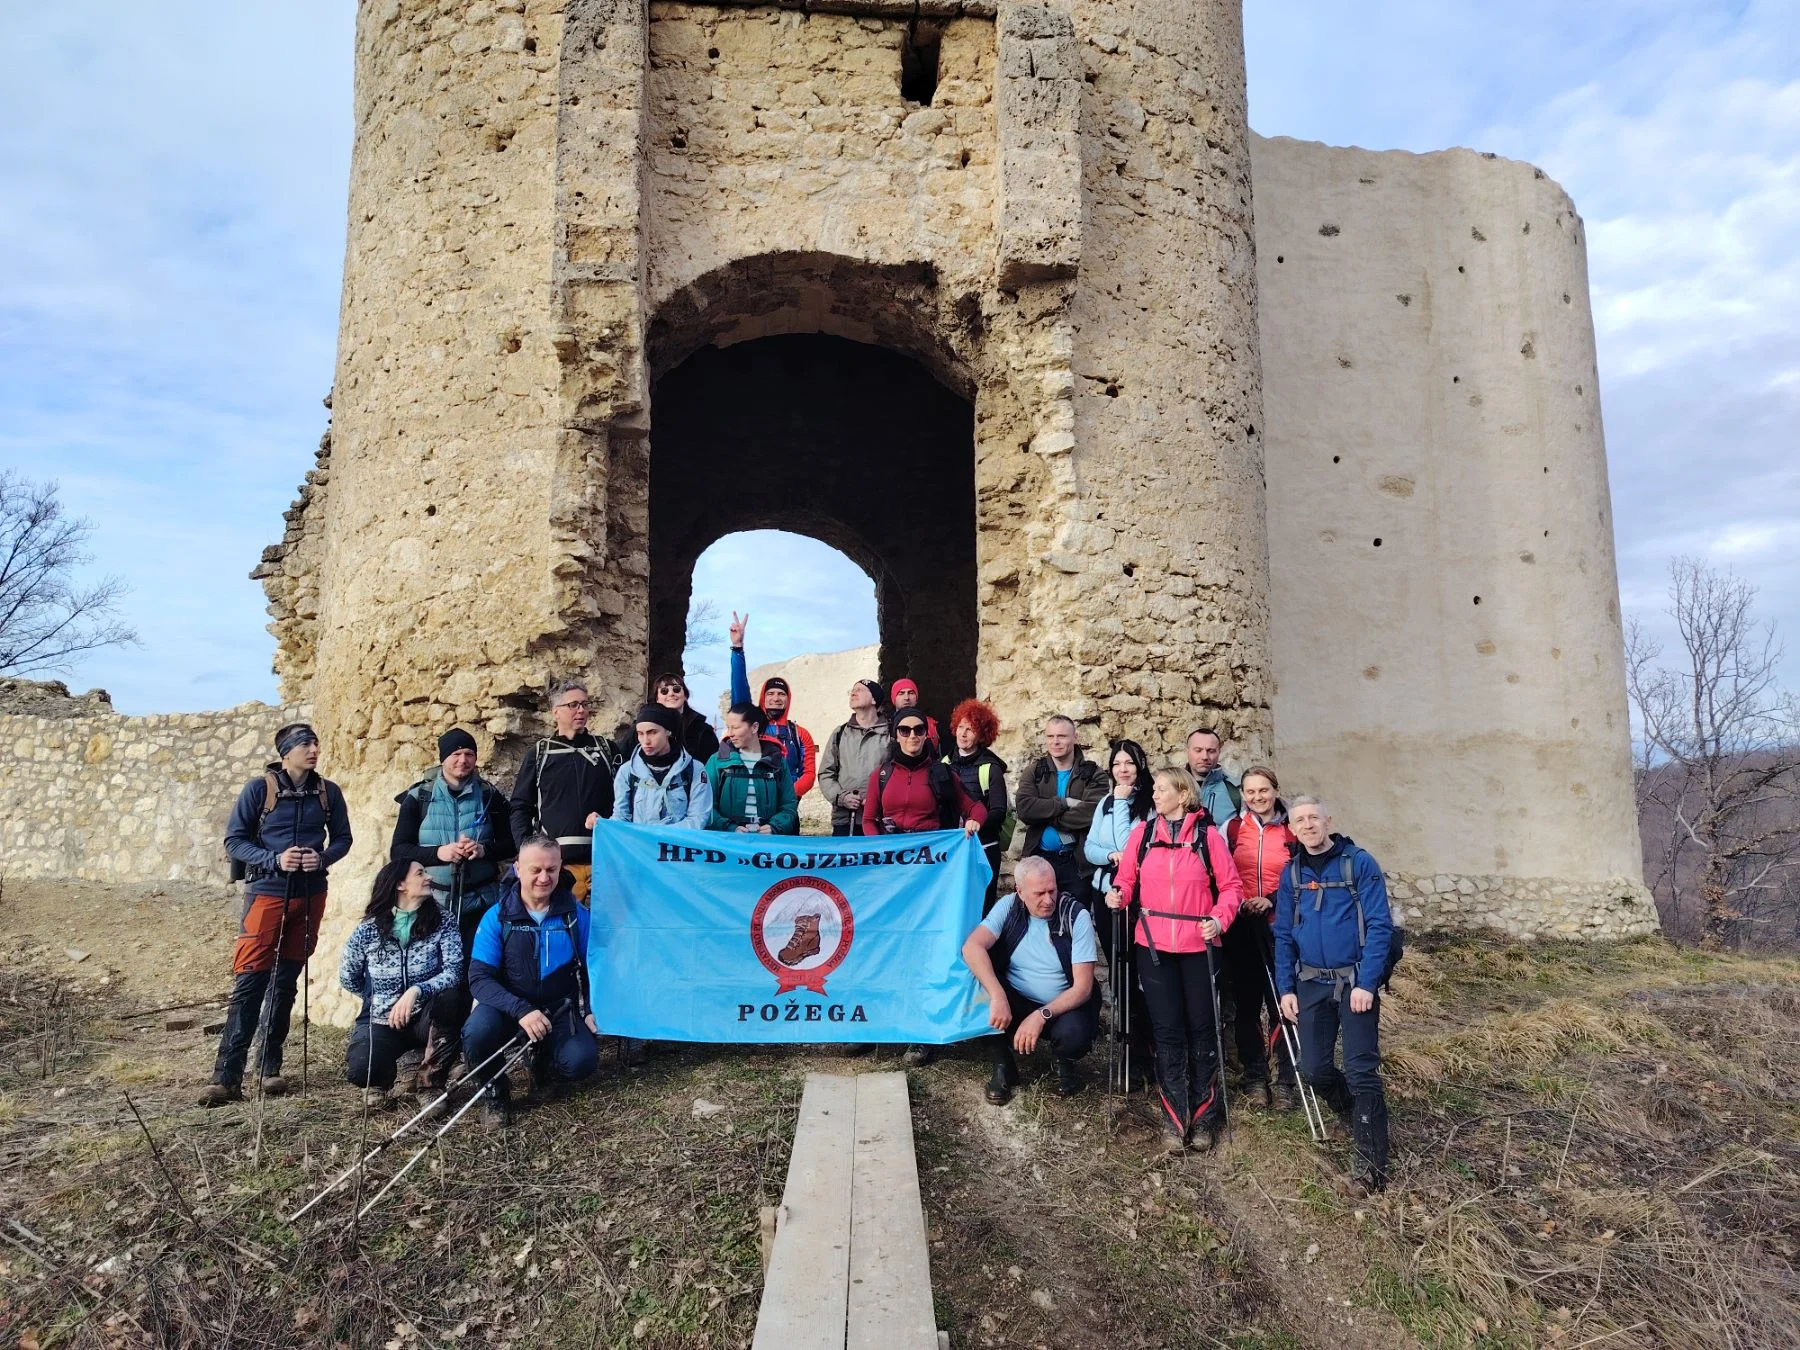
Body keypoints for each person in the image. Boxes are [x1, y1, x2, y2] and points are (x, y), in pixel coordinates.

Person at [204, 722, 353, 1107]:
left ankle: (269, 1068)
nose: (313, 748)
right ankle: (226, 1077)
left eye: (316, 742)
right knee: (250, 981)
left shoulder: (328, 792)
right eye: (305, 743)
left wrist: (320, 858)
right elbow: (234, 841)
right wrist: (274, 859)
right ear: (286, 752)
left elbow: (342, 839)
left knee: (286, 981)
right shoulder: (260, 789)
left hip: (311, 892)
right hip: (266, 894)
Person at [1106, 767, 1243, 1152]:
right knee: (1166, 1031)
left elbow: (1231, 887)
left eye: (1162, 790)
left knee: (1202, 1029)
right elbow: (1127, 879)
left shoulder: (1208, 837)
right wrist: (1116, 894)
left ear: (1183, 795)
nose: (1155, 795)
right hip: (1153, 946)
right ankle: (1174, 1117)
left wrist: (1218, 920)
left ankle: (1203, 1117)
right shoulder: (1143, 834)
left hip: (1198, 946)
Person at [1275, 796, 1394, 1194]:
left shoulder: (1358, 863)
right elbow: (1284, 936)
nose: (1308, 825)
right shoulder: (1291, 874)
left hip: (1355, 981)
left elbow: (1380, 926)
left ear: (1328, 820)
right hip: (1310, 982)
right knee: (1312, 1070)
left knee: (1361, 1070)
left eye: (1314, 817)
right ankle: (1351, 1111)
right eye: (1299, 820)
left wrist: (1368, 982)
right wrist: (1285, 988)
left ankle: (1369, 1164)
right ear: (1291, 829)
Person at [389, 726, 516, 1088]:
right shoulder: (420, 797)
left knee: (478, 974)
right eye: (456, 754)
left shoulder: (490, 796)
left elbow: (509, 843)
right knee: (433, 979)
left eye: (469, 754)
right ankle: (422, 1056)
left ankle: (470, 1053)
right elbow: (399, 850)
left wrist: (483, 850)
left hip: (480, 900)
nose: (463, 760)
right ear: (443, 758)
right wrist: (439, 854)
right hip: (435, 902)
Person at [867, 708, 986, 1066]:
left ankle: (921, 1032)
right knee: (887, 943)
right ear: (895, 734)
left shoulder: (942, 773)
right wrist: (881, 850)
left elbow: (976, 807)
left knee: (922, 948)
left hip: (929, 876)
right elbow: (870, 819)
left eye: (919, 729)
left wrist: (972, 825)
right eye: (904, 730)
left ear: (927, 734)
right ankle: (873, 1026)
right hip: (892, 875)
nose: (912, 736)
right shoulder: (882, 775)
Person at [464, 836, 600, 1128]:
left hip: (558, 1006)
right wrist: (521, 1010)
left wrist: (590, 1008)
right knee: (476, 1032)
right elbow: (479, 978)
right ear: (517, 869)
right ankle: (495, 1093)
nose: (544, 877)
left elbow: (594, 967)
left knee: (581, 1061)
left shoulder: (576, 916)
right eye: (535, 869)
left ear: (560, 867)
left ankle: (543, 1064)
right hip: (509, 1005)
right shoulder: (497, 917)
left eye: (551, 870)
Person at [962, 856, 1099, 1103]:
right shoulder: (1009, 906)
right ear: (1020, 892)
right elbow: (972, 947)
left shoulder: (1076, 916)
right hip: (1016, 996)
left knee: (1075, 1036)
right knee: (975, 988)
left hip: (1061, 1004)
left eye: (1052, 890)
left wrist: (1040, 1016)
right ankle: (1003, 1065)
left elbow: (1083, 988)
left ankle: (1063, 1062)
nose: (1048, 900)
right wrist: (997, 994)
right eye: (1039, 893)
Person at [339, 859, 465, 1108]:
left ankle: (430, 1083)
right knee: (360, 1069)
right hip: (382, 1020)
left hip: (426, 1016)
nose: (428, 877)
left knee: (452, 1000)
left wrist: (417, 991)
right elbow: (348, 976)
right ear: (400, 884)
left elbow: (455, 971)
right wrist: (377, 1000)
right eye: (420, 873)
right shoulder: (368, 929)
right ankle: (382, 1082)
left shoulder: (444, 921)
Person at [1224, 766, 1300, 1110]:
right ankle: (1255, 1075)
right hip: (1242, 924)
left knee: (1283, 1001)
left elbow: (1301, 877)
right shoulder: (1234, 828)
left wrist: (1270, 898)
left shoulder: (1291, 830)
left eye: (1263, 790)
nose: (1257, 797)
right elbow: (1223, 872)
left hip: (1279, 925)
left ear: (1275, 790)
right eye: (1250, 792)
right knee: (1247, 1003)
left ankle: (1287, 1077)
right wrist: (1237, 901)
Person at [1083, 739, 1155, 1088]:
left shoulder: (1148, 803)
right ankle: (1128, 1045)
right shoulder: (1106, 802)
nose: (1122, 770)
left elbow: (1134, 848)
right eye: (1116, 764)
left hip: (1138, 897)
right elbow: (1090, 848)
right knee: (1118, 969)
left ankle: (1148, 1043)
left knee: (1140, 970)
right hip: (1105, 894)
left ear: (1140, 766)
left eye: (1129, 763)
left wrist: (1125, 806)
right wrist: (1110, 856)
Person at [509, 680, 622, 904]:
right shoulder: (540, 754)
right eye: (573, 705)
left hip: (603, 862)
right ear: (556, 712)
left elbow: (626, 800)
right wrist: (527, 850)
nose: (581, 710)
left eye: (584, 704)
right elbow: (520, 806)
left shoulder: (607, 750)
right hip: (558, 868)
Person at [1014, 715, 1108, 898]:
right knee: (1039, 919)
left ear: (1075, 737)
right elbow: (1024, 809)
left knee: (1076, 918)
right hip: (1040, 859)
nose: (1055, 742)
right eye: (1050, 736)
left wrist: (1046, 815)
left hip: (1078, 863)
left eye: (1062, 736)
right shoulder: (1035, 771)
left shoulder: (1093, 774)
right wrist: (1065, 803)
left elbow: (1092, 814)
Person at [728, 612, 817, 797]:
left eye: (781, 694)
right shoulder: (751, 725)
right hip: (751, 802)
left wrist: (786, 796)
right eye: (770, 693)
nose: (776, 698)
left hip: (786, 808)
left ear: (788, 698)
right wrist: (737, 648)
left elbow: (808, 773)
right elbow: (739, 688)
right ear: (762, 697)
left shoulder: (800, 735)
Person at [942, 698, 1009, 911]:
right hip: (953, 848)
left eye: (970, 729)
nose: (963, 734)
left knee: (982, 907)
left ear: (982, 735)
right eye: (960, 727)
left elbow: (999, 811)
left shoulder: (991, 768)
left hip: (984, 847)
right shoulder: (943, 765)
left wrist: (976, 823)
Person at [612, 703, 712, 829]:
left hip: (676, 846)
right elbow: (621, 817)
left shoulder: (694, 770)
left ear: (668, 731)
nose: (646, 741)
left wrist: (657, 836)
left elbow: (697, 819)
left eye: (652, 732)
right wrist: (602, 824)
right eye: (640, 734)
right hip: (638, 847)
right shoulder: (627, 771)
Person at [705, 703, 800, 834]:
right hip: (727, 843)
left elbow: (788, 805)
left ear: (754, 727)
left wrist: (775, 827)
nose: (730, 733)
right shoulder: (717, 761)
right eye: (728, 727)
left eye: (736, 728)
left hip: (767, 843)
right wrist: (729, 827)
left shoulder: (777, 762)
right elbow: (706, 805)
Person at [817, 679, 891, 836]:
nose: (853, 692)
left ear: (874, 699)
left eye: (860, 689)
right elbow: (826, 773)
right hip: (845, 819)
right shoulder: (839, 733)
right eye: (852, 690)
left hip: (881, 819)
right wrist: (842, 797)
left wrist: (880, 801)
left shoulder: (891, 735)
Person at [652, 671, 721, 765]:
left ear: (685, 695)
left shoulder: (703, 731)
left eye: (676, 689)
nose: (671, 694)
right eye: (664, 691)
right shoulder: (644, 728)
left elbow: (713, 766)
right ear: (657, 698)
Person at [1185, 728, 1242, 826]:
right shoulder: (1171, 787)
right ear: (1187, 751)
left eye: (1211, 751)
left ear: (1219, 752)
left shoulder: (1236, 791)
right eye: (1198, 750)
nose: (1205, 757)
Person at [889, 678, 940, 746]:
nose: (906, 698)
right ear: (894, 698)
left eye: (911, 693)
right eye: (901, 693)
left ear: (916, 698)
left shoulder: (930, 724)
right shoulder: (886, 727)